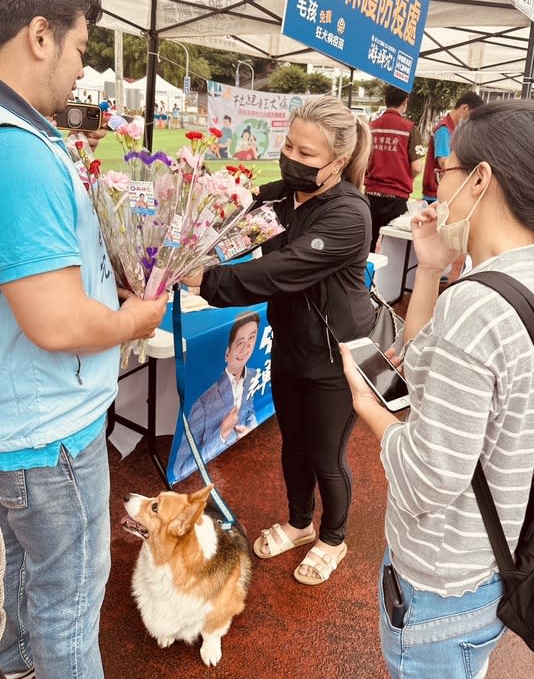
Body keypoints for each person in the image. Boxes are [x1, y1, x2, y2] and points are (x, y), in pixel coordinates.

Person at [0, 0, 169, 679]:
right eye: (81, 48)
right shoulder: (10, 148)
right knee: (67, 604)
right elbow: (54, 322)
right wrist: (133, 321)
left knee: (25, 583)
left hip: (8, 419)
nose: (81, 70)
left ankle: (15, 668)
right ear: (39, 34)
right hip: (46, 430)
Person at [341, 99, 534, 678]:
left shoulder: (478, 305)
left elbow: (425, 481)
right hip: (491, 563)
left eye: (444, 168)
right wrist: (434, 271)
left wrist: (371, 410)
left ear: (480, 180)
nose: (437, 182)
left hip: (440, 584)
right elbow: (425, 373)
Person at [183, 95, 375, 586]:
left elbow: (277, 272)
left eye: (307, 154)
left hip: (338, 357)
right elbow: (228, 225)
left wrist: (206, 280)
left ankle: (333, 537)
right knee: (292, 443)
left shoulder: (349, 214)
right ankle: (299, 523)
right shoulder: (277, 199)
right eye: (288, 144)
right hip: (289, 345)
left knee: (326, 454)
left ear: (338, 163)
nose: (292, 157)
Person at [172, 311, 260, 479]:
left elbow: (250, 410)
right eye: (240, 342)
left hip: (248, 464)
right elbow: (180, 470)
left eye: (252, 339)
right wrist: (221, 434)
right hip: (217, 476)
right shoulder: (204, 402)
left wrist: (250, 428)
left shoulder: (252, 375)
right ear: (227, 353)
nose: (247, 348)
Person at [364, 85, 425, 252]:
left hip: (372, 194)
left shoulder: (371, 127)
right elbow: (417, 167)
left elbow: (362, 160)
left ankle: (366, 276)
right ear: (405, 102)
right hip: (397, 197)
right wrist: (405, 175)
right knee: (394, 247)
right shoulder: (409, 128)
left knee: (368, 242)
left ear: (385, 101)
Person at [422, 90, 484, 203]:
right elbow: (444, 164)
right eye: (472, 115)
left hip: (444, 191)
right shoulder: (444, 130)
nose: (472, 120)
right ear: (464, 108)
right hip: (435, 194)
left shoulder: (453, 129)